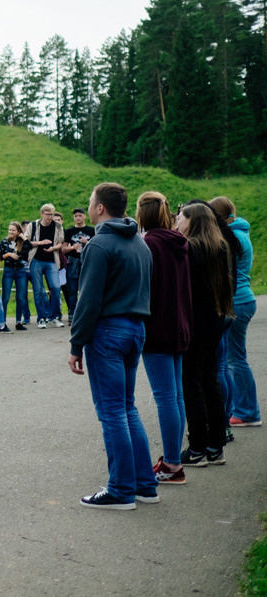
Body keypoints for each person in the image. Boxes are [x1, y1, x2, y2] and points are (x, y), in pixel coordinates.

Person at [67, 182, 157, 510]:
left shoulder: (100, 244)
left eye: (91, 202)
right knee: (127, 407)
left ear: (100, 208)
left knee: (112, 412)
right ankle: (145, 485)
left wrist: (76, 344)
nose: (88, 207)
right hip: (136, 329)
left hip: (108, 332)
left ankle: (120, 489)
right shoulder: (140, 243)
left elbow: (88, 300)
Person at [135, 191, 191, 485]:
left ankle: (172, 463)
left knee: (166, 397)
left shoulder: (149, 245)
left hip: (157, 328)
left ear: (143, 214)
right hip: (179, 325)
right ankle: (174, 458)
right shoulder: (179, 242)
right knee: (176, 397)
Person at [176, 201, 234, 468]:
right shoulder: (220, 246)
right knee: (210, 381)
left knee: (192, 385)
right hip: (216, 318)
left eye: (181, 217)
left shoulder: (190, 248)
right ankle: (216, 445)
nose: (177, 220)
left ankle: (197, 447)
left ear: (193, 220)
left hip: (195, 322)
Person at [209, 196, 258, 429]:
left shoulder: (232, 237)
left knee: (234, 360)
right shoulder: (241, 232)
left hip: (236, 302)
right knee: (236, 358)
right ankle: (245, 409)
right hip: (244, 299)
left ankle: (247, 411)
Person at [28, 204, 65, 328]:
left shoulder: (58, 226)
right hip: (36, 260)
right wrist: (40, 243)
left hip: (52, 261)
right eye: (47, 214)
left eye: (52, 214)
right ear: (42, 214)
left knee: (55, 287)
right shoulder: (33, 225)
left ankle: (56, 316)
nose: (50, 217)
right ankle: (41, 318)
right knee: (38, 290)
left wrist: (53, 248)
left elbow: (60, 243)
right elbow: (26, 242)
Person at [63, 208, 95, 317]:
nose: (78, 218)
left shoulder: (92, 231)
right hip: (73, 263)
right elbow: (63, 249)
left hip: (87, 262)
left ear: (85, 216)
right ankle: (73, 314)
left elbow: (97, 246)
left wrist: (88, 242)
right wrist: (72, 247)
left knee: (86, 290)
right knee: (72, 290)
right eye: (76, 216)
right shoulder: (69, 231)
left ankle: (85, 314)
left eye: (80, 215)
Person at [0, 222, 31, 330]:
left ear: (18, 231)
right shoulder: (4, 242)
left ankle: (18, 322)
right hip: (8, 271)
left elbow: (30, 246)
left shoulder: (21, 242)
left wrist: (23, 237)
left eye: (13, 230)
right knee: (6, 297)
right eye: (9, 230)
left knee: (21, 297)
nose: (10, 232)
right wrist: (9, 254)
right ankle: (2, 323)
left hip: (21, 271)